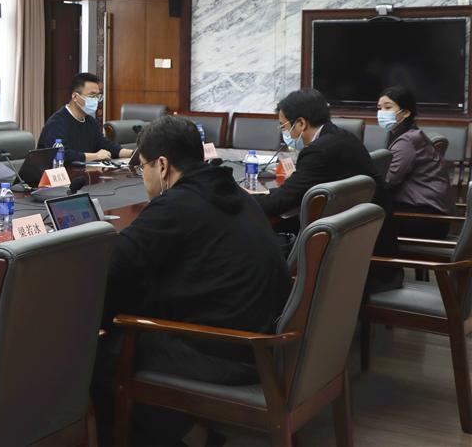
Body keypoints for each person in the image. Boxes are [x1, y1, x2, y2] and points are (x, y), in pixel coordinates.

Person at [95, 116, 290, 447]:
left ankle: (194, 438)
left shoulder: (177, 205)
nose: (143, 177)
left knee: (98, 356)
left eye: (142, 168)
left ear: (162, 165)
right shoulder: (233, 191)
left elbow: (113, 265)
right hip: (264, 339)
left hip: (231, 351)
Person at [256, 88, 401, 291]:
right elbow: (294, 192)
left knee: (259, 234)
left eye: (284, 126)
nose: (284, 133)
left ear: (301, 123)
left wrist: (244, 200)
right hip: (369, 248)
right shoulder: (342, 137)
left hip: (357, 264)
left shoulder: (319, 151)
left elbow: (283, 201)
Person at [378, 85, 453, 239]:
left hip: (426, 219)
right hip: (426, 215)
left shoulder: (408, 141)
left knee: (367, 221)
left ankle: (385, 256)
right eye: (379, 108)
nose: (381, 112)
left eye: (388, 107)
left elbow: (388, 180)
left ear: (406, 112)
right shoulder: (410, 135)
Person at [38, 72, 133, 163]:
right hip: (57, 173)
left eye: (97, 96)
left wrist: (133, 154)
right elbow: (61, 154)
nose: (96, 100)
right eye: (92, 96)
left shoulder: (91, 121)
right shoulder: (57, 122)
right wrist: (95, 156)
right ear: (75, 97)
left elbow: (104, 145)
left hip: (83, 171)